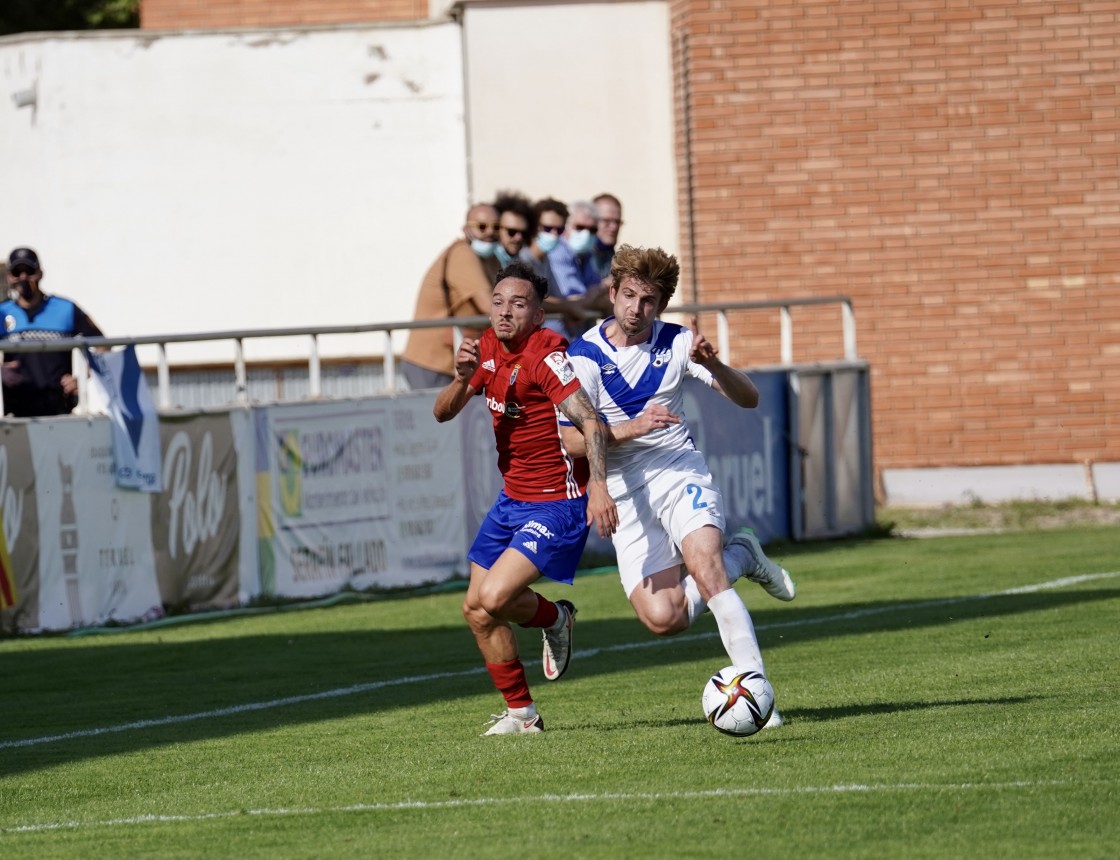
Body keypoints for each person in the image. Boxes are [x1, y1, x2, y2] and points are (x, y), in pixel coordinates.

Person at [559, 244, 796, 727]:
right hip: (625, 488)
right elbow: (573, 441)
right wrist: (620, 448)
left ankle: (755, 692)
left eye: (648, 301)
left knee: (705, 569)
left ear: (661, 305)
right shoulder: (581, 356)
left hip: (677, 470)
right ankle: (744, 555)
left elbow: (748, 399)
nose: (635, 309)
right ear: (612, 292)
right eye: (628, 296)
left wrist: (716, 365)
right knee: (663, 617)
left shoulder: (679, 343)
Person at [434, 260, 617, 736]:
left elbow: (591, 421)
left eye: (518, 304)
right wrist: (460, 378)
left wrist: (597, 485)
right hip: (511, 500)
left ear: (538, 314)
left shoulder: (547, 356)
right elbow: (442, 413)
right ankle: (523, 715)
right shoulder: (487, 349)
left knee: (494, 597)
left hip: (557, 502)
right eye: (498, 302)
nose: (504, 312)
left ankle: (555, 616)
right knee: (475, 608)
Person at [400, 203, 501, 390]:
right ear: (466, 229)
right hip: (432, 361)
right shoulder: (462, 253)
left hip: (460, 359)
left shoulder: (492, 259)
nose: (489, 232)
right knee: (439, 418)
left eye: (496, 227)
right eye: (481, 226)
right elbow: (491, 307)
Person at [1, 247, 104, 418]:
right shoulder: (2, 312)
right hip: (16, 412)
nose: (24, 277)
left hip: (59, 410)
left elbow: (102, 345)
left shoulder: (65, 308)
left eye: (29, 271)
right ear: (9, 277)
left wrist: (80, 378)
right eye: (17, 272)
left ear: (40, 273)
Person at [545, 200, 610, 341]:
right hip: (554, 339)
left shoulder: (587, 254)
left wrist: (598, 293)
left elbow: (600, 298)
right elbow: (574, 299)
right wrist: (602, 288)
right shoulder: (556, 251)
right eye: (579, 227)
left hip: (578, 338)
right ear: (566, 228)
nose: (586, 234)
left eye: (592, 229)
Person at [493, 191, 535, 269]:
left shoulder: (524, 264)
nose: (518, 238)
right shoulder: (485, 262)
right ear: (497, 228)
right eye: (511, 232)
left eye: (524, 233)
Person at [590, 192, 623, 282]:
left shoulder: (614, 258)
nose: (614, 227)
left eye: (617, 222)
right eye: (606, 221)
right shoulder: (579, 257)